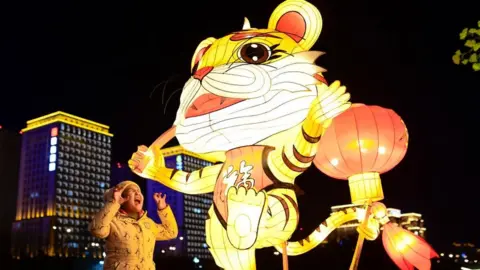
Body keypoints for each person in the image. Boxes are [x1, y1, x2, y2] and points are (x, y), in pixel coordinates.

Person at [89, 180, 178, 269]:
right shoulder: (112, 221)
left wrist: (163, 209)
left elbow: (171, 232)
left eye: (139, 191)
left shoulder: (148, 224)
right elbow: (97, 230)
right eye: (132, 191)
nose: (137, 193)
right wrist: (113, 203)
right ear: (121, 197)